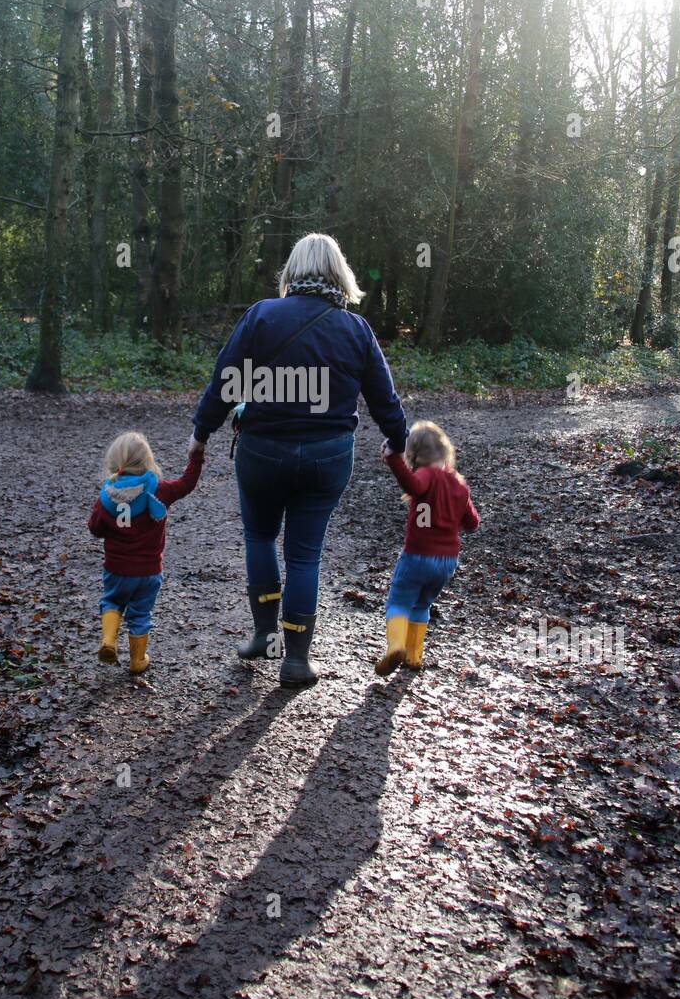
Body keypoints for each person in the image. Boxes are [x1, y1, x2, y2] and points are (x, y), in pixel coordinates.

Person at [191, 232, 408, 688]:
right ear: (338, 272)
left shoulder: (262, 316)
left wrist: (201, 433)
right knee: (305, 556)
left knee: (260, 538)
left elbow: (225, 382)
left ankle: (264, 636)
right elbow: (383, 398)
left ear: (293, 271)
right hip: (327, 458)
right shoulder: (356, 329)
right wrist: (397, 440)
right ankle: (296, 660)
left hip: (262, 452)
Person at [88, 431, 204, 676]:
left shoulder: (107, 496)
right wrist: (196, 455)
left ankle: (109, 640)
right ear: (147, 460)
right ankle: (137, 660)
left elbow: (95, 529)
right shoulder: (159, 490)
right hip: (149, 572)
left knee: (111, 601)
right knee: (140, 613)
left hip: (116, 570)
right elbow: (187, 483)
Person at [376, 419, 479, 675]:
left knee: (399, 601)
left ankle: (396, 646)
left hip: (418, 556)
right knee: (422, 605)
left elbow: (413, 485)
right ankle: (414, 656)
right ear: (445, 451)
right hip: (446, 562)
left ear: (415, 454)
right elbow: (473, 523)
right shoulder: (458, 484)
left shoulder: (425, 475)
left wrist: (393, 459)